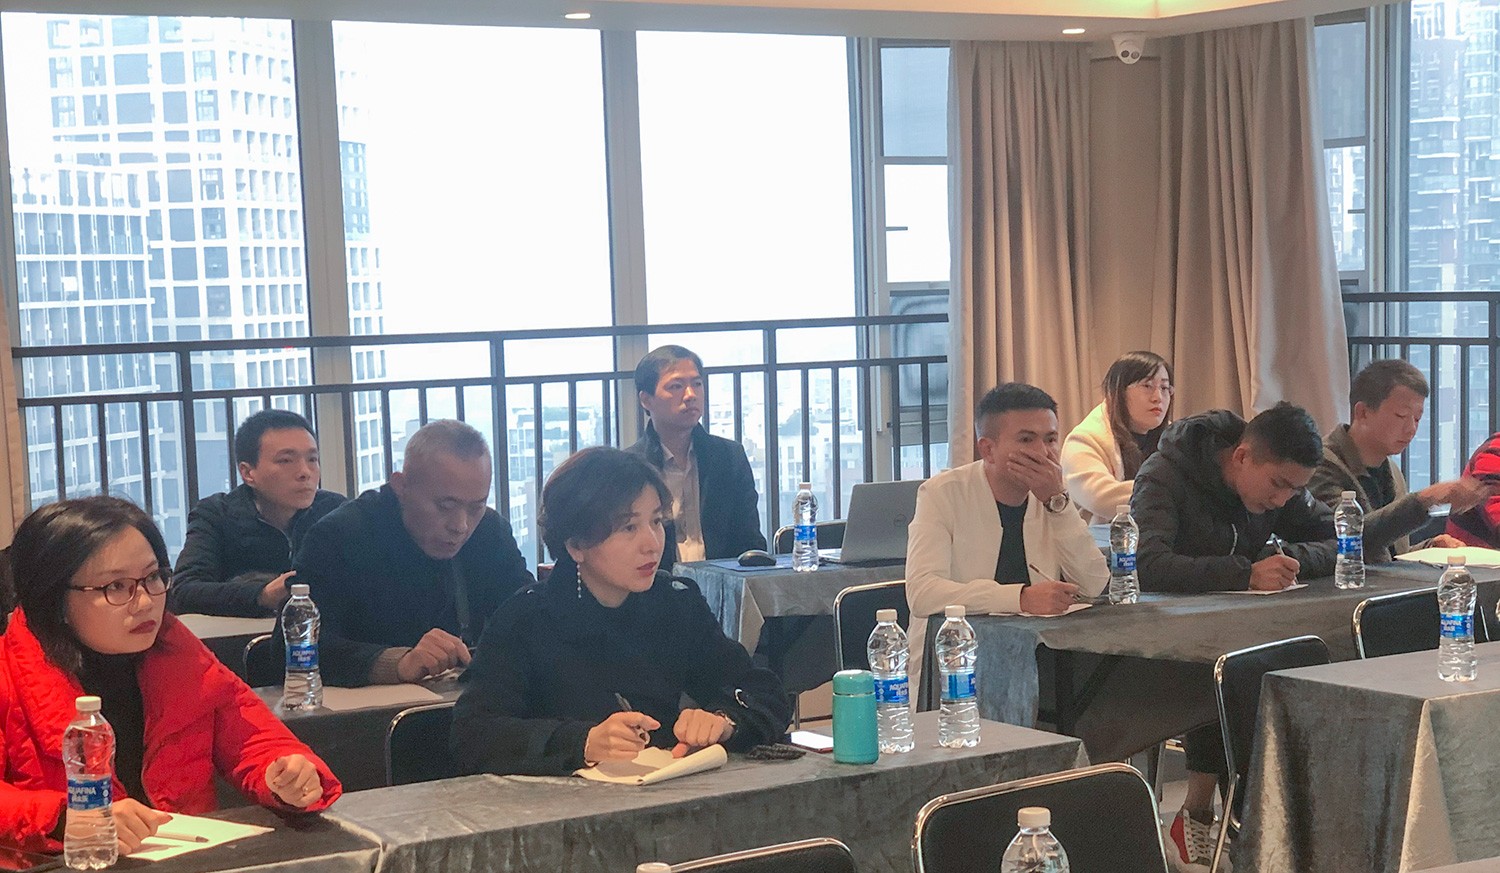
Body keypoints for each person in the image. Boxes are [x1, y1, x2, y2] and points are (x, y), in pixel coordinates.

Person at [1131, 402, 1396, 871]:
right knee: (1244, 672)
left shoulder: (1280, 487)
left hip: (1241, 634)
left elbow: (1342, 539)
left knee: (1288, 665)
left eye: (1295, 489)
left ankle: (1269, 822)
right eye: (1278, 485)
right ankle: (1234, 818)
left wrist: (1290, 556)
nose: (1282, 500)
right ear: (1242, 456)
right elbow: (1147, 565)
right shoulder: (1165, 474)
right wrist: (1244, 574)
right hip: (1164, 644)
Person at [0, 497, 340, 855]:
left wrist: (287, 775)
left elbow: (257, 740)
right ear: (53, 598)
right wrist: (65, 818)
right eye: (116, 586)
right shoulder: (9, 673)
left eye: (153, 578)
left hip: (186, 859)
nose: (145, 602)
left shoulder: (180, 655)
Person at [450, 447, 791, 776]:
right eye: (629, 528)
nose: (652, 543)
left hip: (661, 792)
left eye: (656, 522)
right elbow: (473, 735)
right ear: (576, 544)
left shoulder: (675, 604)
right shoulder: (526, 618)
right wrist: (582, 742)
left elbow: (765, 692)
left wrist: (725, 721)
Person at [290, 420, 535, 687]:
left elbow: (529, 617)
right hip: (370, 706)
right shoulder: (340, 536)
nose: (461, 525)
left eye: (476, 507)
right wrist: (397, 663)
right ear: (401, 486)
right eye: (445, 506)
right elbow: (295, 646)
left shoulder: (490, 532)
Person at [904, 383, 1109, 695]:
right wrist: (1020, 598)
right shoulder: (941, 494)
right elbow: (923, 593)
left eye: (1050, 439)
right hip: (956, 665)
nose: (1043, 453)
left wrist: (1057, 504)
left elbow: (1094, 583)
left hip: (1038, 662)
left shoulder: (1053, 495)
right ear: (988, 449)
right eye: (1026, 439)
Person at [168, 409, 346, 618]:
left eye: (312, 459)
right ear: (247, 472)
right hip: (239, 636)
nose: (305, 472)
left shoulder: (334, 511)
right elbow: (184, 591)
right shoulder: (217, 514)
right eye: (286, 460)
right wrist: (263, 594)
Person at [1309, 359, 1489, 558]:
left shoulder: (1391, 469)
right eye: (1401, 415)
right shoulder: (1321, 464)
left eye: (1417, 419)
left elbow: (1388, 554)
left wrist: (1429, 547)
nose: (1411, 428)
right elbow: (1346, 541)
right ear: (1363, 412)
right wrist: (1425, 499)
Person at [626, 345, 765, 565]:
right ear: (646, 400)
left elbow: (750, 541)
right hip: (659, 582)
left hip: (724, 580)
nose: (690, 395)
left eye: (697, 384)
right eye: (676, 386)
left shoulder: (729, 457)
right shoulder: (631, 466)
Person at [1062, 351, 1174, 522]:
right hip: (1101, 538)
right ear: (1118, 391)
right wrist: (1174, 490)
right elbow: (1101, 499)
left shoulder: (1174, 439)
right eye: (1147, 386)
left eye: (1164, 388)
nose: (1158, 397)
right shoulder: (1083, 440)